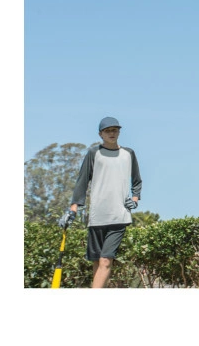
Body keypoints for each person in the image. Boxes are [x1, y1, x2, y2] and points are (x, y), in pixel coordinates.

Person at [58, 116, 143, 288]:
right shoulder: (93, 153)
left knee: (105, 261)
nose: (112, 133)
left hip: (119, 216)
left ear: (119, 132)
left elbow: (136, 181)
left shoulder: (128, 154)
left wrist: (135, 199)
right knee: (97, 261)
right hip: (97, 216)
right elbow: (82, 181)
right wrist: (73, 208)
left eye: (115, 130)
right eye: (108, 130)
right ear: (100, 134)